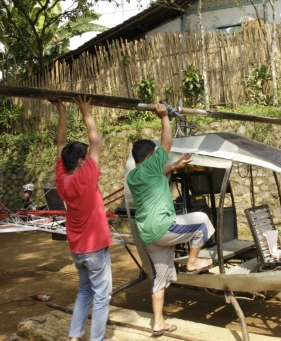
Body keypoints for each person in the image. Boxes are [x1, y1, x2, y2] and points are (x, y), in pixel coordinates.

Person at [127, 103, 215, 337]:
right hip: (163, 228)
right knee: (203, 220)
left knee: (160, 277)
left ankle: (158, 322)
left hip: (149, 237)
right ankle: (193, 261)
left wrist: (174, 166)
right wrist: (164, 117)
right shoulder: (152, 164)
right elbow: (166, 143)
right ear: (149, 156)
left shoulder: (134, 175)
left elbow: (158, 171)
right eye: (154, 155)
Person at [53, 96, 113, 341]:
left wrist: (63, 112)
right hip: (95, 249)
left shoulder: (61, 178)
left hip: (77, 249)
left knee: (84, 291)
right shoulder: (86, 177)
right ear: (80, 161)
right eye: (85, 157)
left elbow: (60, 144)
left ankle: (74, 336)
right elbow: (96, 141)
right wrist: (85, 109)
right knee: (101, 297)